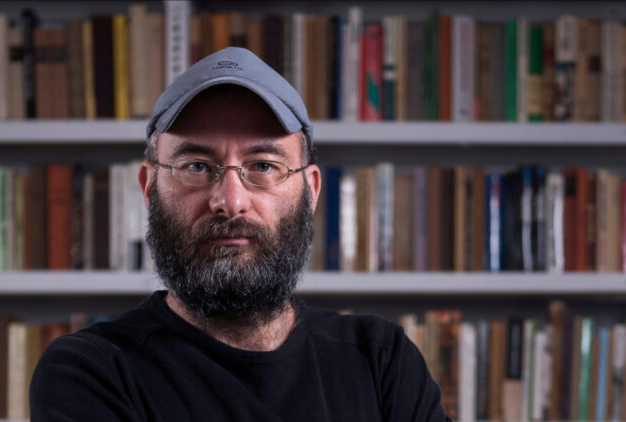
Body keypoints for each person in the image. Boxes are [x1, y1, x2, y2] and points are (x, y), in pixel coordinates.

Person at [30, 47, 450, 422]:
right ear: (149, 187)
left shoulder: (381, 361)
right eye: (196, 166)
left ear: (311, 191)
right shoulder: (92, 371)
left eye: (263, 166)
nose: (230, 202)